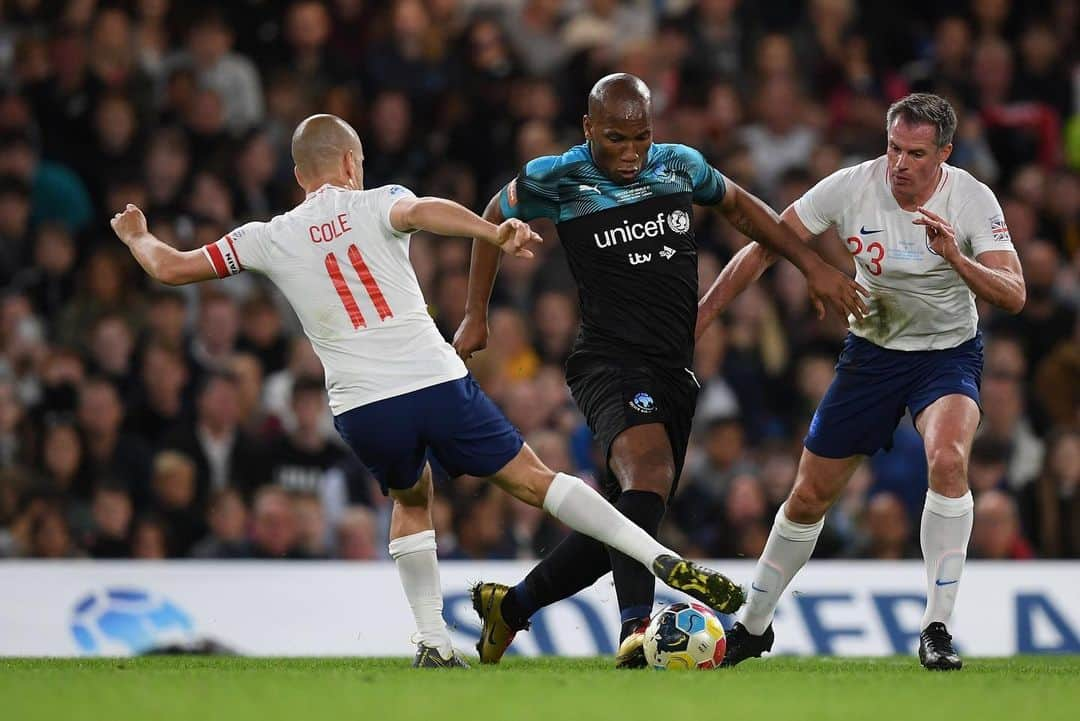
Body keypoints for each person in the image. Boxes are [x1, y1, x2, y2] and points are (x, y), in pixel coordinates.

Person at [109, 112, 744, 668]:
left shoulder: (267, 236)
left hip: (361, 407)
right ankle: (654, 556)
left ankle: (433, 638)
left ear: (300, 175)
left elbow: (172, 268)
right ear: (352, 163)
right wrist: (490, 232)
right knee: (536, 481)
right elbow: (425, 212)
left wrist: (138, 235)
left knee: (411, 496)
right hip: (432, 380)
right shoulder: (378, 200)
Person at [453, 73, 868, 668]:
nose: (630, 154)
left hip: (673, 369)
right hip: (607, 361)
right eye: (616, 139)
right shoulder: (559, 177)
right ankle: (637, 632)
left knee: (627, 522)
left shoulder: (679, 166)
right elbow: (494, 215)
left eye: (641, 138)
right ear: (588, 128)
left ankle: (512, 608)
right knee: (646, 475)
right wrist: (475, 315)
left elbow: (744, 210)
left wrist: (811, 265)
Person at [696, 93, 1026, 671]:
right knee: (808, 496)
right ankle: (752, 626)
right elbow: (769, 242)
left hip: (946, 355)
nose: (899, 163)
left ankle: (937, 627)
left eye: (916, 153)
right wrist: (702, 317)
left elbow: (1015, 294)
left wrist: (957, 259)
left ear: (944, 154)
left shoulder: (972, 199)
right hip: (871, 355)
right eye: (893, 147)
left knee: (948, 460)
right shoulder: (852, 186)